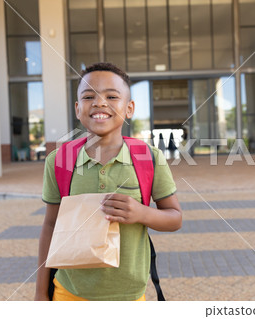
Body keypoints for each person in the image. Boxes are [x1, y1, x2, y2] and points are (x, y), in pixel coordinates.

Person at [35, 62, 182, 301]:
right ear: (77, 108)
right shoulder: (58, 161)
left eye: (112, 96)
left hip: (130, 296)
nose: (99, 102)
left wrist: (141, 213)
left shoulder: (150, 158)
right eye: (88, 96)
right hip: (69, 294)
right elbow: (50, 226)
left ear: (129, 108)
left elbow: (175, 218)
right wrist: (41, 294)